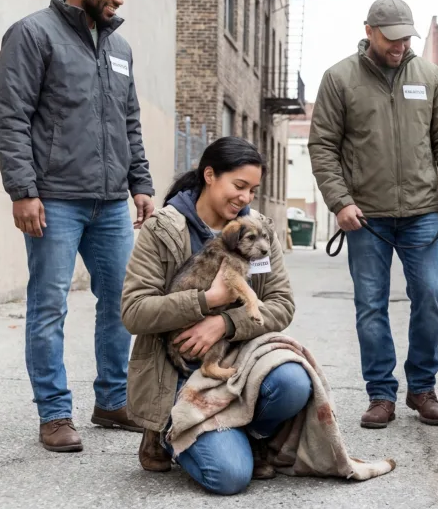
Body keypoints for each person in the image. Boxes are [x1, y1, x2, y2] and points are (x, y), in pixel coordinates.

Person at [0, 0, 154, 452]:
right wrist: (23, 190)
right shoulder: (33, 34)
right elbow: (10, 117)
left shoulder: (120, 49)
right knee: (49, 305)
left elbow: (129, 122)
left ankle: (111, 400)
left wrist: (141, 183)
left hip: (110, 202)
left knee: (122, 304)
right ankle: (55, 414)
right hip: (54, 198)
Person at [121, 137, 313, 495]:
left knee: (294, 383)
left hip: (235, 356)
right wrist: (207, 300)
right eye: (238, 186)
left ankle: (250, 432)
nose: (245, 198)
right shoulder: (163, 227)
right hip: (177, 367)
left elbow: (282, 303)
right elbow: (133, 311)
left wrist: (224, 323)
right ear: (209, 175)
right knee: (230, 476)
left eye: (252, 190)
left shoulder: (258, 231)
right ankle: (165, 429)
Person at [308, 0, 438, 429]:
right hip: (365, 216)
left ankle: (422, 388)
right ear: (369, 31)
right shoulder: (340, 79)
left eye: (405, 38)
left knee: (431, 296)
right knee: (371, 305)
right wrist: (340, 202)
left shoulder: (429, 76)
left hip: (419, 213)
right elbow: (322, 146)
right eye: (391, 39)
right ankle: (381, 393)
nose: (399, 47)